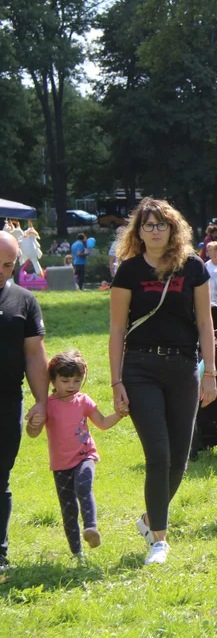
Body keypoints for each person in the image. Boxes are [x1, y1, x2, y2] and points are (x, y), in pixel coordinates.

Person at [109, 197, 217, 565]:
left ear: (173, 229)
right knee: (158, 455)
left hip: (184, 367)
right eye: (148, 225)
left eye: (161, 224)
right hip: (139, 369)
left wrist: (211, 375)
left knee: (179, 460)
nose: (154, 230)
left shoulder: (193, 268)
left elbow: (205, 324)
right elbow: (117, 329)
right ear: (138, 231)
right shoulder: (128, 271)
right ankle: (160, 541)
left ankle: (148, 519)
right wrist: (115, 382)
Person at [25, 350, 126, 556]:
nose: (71, 386)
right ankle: (77, 553)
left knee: (83, 485)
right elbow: (33, 433)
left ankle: (91, 527)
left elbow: (103, 423)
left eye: (76, 380)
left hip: (84, 456)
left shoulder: (83, 401)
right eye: (65, 380)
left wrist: (119, 414)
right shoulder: (48, 405)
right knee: (68, 510)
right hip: (60, 464)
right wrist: (33, 424)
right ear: (52, 380)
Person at [0, 230, 49, 570]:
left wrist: (42, 401)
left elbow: (34, 356)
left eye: (8, 264)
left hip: (6, 401)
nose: (2, 271)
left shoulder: (23, 301)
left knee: (0, 477)